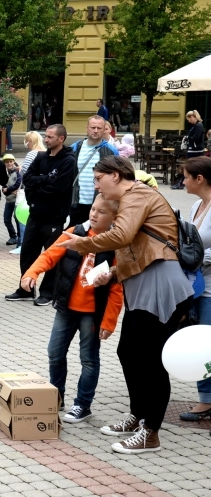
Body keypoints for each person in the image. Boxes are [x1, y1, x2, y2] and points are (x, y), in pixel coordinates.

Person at [57, 156, 193, 453]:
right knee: (129, 352)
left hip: (159, 285)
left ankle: (151, 434)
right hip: (142, 282)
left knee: (153, 362)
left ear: (116, 176)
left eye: (98, 179)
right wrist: (114, 274)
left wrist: (79, 243)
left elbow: (122, 236)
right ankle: (137, 415)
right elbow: (136, 249)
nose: (96, 186)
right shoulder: (133, 199)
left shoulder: (138, 195)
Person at [22, 194, 123, 424]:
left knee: (88, 359)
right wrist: (31, 273)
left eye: (102, 212)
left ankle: (82, 405)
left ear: (115, 217)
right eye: (93, 209)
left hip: (92, 313)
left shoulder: (116, 244)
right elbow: (50, 255)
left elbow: (117, 289)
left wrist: (109, 321)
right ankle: (56, 397)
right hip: (66, 307)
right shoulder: (76, 232)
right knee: (55, 353)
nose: (95, 214)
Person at [6, 125, 75, 305]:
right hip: (35, 214)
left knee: (51, 255)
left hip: (54, 216)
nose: (46, 139)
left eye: (51, 137)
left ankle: (48, 292)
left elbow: (58, 188)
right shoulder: (40, 156)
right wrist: (45, 180)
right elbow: (27, 179)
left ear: (61, 139)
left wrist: (39, 184)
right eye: (46, 136)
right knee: (27, 253)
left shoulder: (68, 161)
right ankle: (26, 288)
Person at [179, 156, 211, 424]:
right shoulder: (196, 206)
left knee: (206, 345)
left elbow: (198, 249)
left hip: (210, 287)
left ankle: (206, 401)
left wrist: (195, 256)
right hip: (197, 285)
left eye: (186, 176)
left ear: (199, 179)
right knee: (202, 344)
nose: (183, 181)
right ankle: (206, 397)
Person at [69, 116, 117, 226]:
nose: (95, 131)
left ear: (104, 129)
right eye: (93, 127)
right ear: (87, 128)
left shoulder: (111, 150)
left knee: (96, 237)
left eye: (99, 128)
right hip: (76, 202)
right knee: (75, 234)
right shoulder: (75, 147)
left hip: (101, 203)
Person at [172, 110, 207, 190]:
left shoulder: (199, 125)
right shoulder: (195, 126)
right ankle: (182, 183)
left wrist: (188, 138)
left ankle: (182, 183)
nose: (189, 121)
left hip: (195, 150)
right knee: (191, 167)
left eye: (189, 119)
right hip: (193, 149)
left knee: (190, 167)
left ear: (192, 117)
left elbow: (196, 137)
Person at [1, 154, 22, 248]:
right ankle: (13, 236)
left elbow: (18, 183)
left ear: (14, 161)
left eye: (10, 161)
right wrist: (6, 190)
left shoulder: (17, 171)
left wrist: (7, 190)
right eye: (7, 162)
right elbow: (3, 186)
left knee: (17, 219)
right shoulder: (5, 173)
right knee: (6, 219)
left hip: (17, 200)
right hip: (9, 199)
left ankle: (20, 238)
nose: (9, 163)